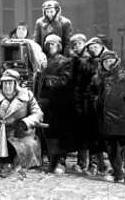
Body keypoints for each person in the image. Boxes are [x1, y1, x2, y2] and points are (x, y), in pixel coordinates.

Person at [0, 69, 43, 178]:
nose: (7, 86)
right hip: (0, 130)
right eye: (5, 83)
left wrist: (25, 123)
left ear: (16, 84)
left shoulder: (27, 95)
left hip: (20, 132)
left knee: (26, 145)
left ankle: (17, 166)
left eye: (10, 83)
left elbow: (38, 114)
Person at [90, 50, 125, 185]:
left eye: (111, 61)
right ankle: (118, 174)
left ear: (116, 61)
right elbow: (91, 94)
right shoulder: (97, 78)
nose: (108, 64)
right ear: (102, 64)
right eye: (105, 62)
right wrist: (97, 101)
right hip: (106, 119)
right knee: (112, 149)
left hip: (124, 117)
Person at [35, 34, 73, 174]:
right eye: (49, 44)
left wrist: (48, 80)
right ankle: (49, 160)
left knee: (56, 133)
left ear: (59, 46)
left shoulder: (65, 61)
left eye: (54, 44)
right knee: (45, 132)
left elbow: (65, 80)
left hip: (56, 102)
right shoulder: (42, 61)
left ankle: (59, 162)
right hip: (42, 101)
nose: (51, 47)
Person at [75, 36, 108, 175]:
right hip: (89, 104)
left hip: (106, 104)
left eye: (96, 47)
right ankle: (94, 164)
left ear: (101, 47)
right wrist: (79, 103)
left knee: (105, 135)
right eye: (91, 48)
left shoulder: (109, 61)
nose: (94, 50)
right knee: (92, 135)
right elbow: (79, 85)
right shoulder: (85, 63)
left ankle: (105, 164)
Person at [68, 33, 87, 172]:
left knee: (85, 132)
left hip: (85, 98)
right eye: (74, 44)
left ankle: (84, 162)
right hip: (75, 98)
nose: (77, 46)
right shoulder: (73, 59)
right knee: (80, 132)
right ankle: (82, 161)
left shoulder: (85, 59)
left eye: (79, 44)